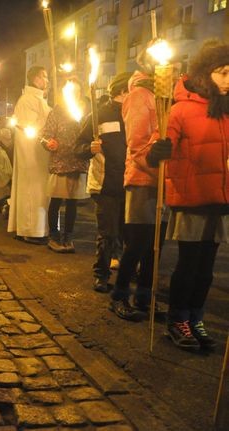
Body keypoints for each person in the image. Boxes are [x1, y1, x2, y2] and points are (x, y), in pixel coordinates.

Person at [147, 40, 229, 350]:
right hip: (191, 199)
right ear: (205, 74)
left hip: (220, 202)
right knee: (189, 265)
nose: (228, 80)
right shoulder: (180, 110)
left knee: (207, 270)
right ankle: (177, 319)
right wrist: (158, 152)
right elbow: (151, 153)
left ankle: (196, 317)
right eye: (222, 73)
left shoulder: (226, 111)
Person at [109, 47, 167, 321]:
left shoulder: (165, 97)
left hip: (165, 182)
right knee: (138, 245)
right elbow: (136, 145)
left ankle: (144, 299)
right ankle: (119, 296)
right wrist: (155, 160)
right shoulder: (138, 96)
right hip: (143, 179)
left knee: (156, 247)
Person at [76, 72, 132, 292]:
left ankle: (128, 271)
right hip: (105, 184)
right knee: (107, 233)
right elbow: (78, 147)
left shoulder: (137, 114)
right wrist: (88, 149)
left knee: (129, 233)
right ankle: (101, 274)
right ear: (122, 91)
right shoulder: (99, 115)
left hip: (131, 182)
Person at [41, 80, 89, 253]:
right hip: (60, 163)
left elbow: (90, 134)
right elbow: (44, 136)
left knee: (72, 203)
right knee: (55, 200)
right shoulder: (57, 111)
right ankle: (53, 235)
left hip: (78, 161)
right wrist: (49, 143)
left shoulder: (86, 111)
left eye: (76, 90)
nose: (73, 93)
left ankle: (68, 236)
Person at [7, 66, 52, 244]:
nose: (47, 80)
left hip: (39, 153)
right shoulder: (27, 100)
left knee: (39, 191)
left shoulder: (39, 99)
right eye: (44, 77)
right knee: (32, 191)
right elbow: (30, 125)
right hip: (31, 153)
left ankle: (34, 228)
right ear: (35, 79)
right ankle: (30, 230)